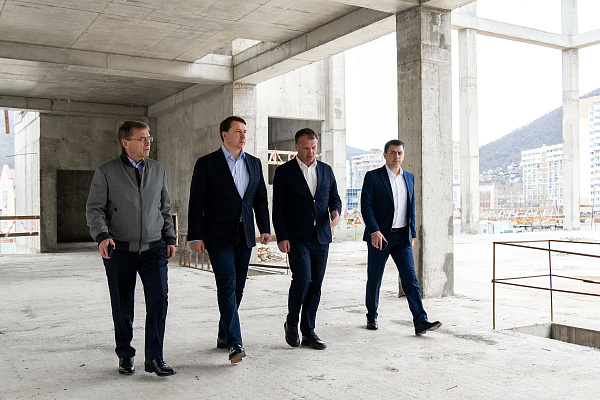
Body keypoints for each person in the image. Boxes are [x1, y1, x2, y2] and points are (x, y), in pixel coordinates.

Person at [86, 121, 177, 376]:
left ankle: (154, 358)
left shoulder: (158, 170)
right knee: (122, 303)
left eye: (149, 138)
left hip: (154, 248)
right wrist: (102, 235)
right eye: (142, 139)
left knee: (158, 301)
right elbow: (94, 208)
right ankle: (125, 354)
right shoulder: (106, 172)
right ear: (125, 143)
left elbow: (164, 207)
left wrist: (169, 237)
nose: (148, 143)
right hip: (120, 249)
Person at [188, 116, 271, 363]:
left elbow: (260, 199)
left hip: (245, 234)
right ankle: (235, 343)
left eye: (245, 131)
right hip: (217, 235)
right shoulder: (206, 164)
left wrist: (265, 228)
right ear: (224, 134)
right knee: (227, 285)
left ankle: (224, 335)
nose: (243, 136)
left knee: (238, 288)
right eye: (237, 132)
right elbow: (196, 203)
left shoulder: (254, 163)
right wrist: (195, 236)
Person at [361, 139, 441, 335]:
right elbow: (366, 207)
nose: (396, 156)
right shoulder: (373, 177)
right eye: (392, 152)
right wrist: (374, 230)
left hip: (402, 237)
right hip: (379, 237)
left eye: (399, 153)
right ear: (385, 155)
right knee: (375, 278)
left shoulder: (409, 177)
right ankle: (372, 316)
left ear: (403, 155)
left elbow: (411, 207)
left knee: (410, 280)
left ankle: (420, 321)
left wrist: (412, 232)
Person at [273, 128, 342, 350]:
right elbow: (278, 208)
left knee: (316, 283)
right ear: (296, 147)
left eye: (314, 148)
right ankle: (292, 323)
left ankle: (309, 331)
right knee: (303, 279)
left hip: (321, 236)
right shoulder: (284, 172)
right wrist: (282, 236)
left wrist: (335, 211)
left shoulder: (326, 170)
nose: (311, 152)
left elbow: (334, 197)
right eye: (306, 148)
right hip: (297, 237)